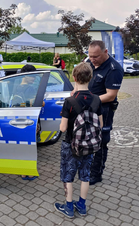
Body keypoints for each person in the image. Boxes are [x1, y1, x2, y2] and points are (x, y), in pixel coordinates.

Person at [54, 62, 103, 218]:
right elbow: (100, 124)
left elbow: (62, 128)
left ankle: (68, 206)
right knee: (85, 175)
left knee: (68, 175)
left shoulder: (70, 101)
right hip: (89, 145)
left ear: (74, 77)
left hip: (70, 145)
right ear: (91, 77)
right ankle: (82, 205)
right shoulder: (96, 100)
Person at [72, 40, 123, 185]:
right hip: (86, 106)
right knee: (84, 136)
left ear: (105, 52)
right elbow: (79, 76)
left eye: (96, 57)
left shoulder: (114, 69)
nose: (92, 60)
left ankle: (96, 174)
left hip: (103, 109)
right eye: (90, 56)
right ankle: (84, 167)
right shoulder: (89, 60)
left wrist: (87, 100)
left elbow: (110, 95)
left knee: (100, 141)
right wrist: (76, 90)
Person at [15, 64, 44, 181]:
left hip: (18, 119)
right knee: (31, 147)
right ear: (26, 75)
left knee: (22, 147)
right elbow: (38, 103)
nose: (34, 79)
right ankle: (30, 174)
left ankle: (22, 172)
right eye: (32, 76)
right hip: (30, 120)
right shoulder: (31, 89)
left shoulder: (15, 86)